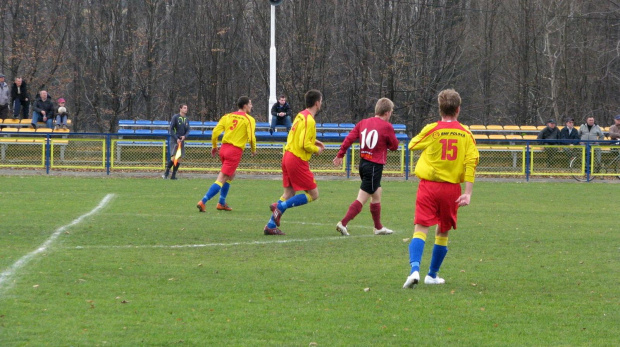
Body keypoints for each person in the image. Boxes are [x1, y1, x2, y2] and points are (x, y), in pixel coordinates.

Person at [403, 89, 479, 288]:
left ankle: (414, 270)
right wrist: (468, 193)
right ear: (458, 109)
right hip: (451, 189)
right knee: (443, 230)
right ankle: (432, 275)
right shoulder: (466, 133)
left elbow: (412, 145)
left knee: (420, 228)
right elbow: (471, 162)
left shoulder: (432, 129)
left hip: (428, 186)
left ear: (440, 109)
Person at [332, 97, 400, 236]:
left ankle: (378, 227)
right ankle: (343, 223)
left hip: (363, 164)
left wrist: (340, 154)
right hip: (374, 166)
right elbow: (394, 146)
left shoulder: (363, 123)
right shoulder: (387, 126)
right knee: (362, 198)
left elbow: (349, 138)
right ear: (387, 113)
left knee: (377, 193)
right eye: (391, 112)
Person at [264, 89, 325, 236]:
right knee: (313, 194)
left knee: (289, 192)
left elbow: (296, 135)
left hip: (287, 155)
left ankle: (270, 225)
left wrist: (315, 141)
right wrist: (317, 150)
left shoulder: (300, 115)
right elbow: (304, 144)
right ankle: (280, 207)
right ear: (317, 103)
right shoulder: (309, 120)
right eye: (321, 101)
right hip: (297, 159)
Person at [197, 96, 257, 212]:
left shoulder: (227, 116)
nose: (251, 106)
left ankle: (221, 202)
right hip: (234, 151)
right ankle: (203, 201)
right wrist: (253, 149)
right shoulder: (249, 119)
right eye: (250, 104)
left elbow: (215, 132)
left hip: (223, 149)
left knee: (231, 174)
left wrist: (214, 146)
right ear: (245, 106)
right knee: (222, 178)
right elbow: (251, 137)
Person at [163, 104, 190, 180]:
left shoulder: (186, 119)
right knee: (174, 157)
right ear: (180, 109)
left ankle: (173, 175)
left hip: (181, 140)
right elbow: (171, 129)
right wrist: (176, 138)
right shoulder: (175, 117)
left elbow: (188, 130)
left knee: (179, 158)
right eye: (184, 108)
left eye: (186, 108)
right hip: (174, 140)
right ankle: (166, 173)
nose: (186, 109)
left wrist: (185, 136)